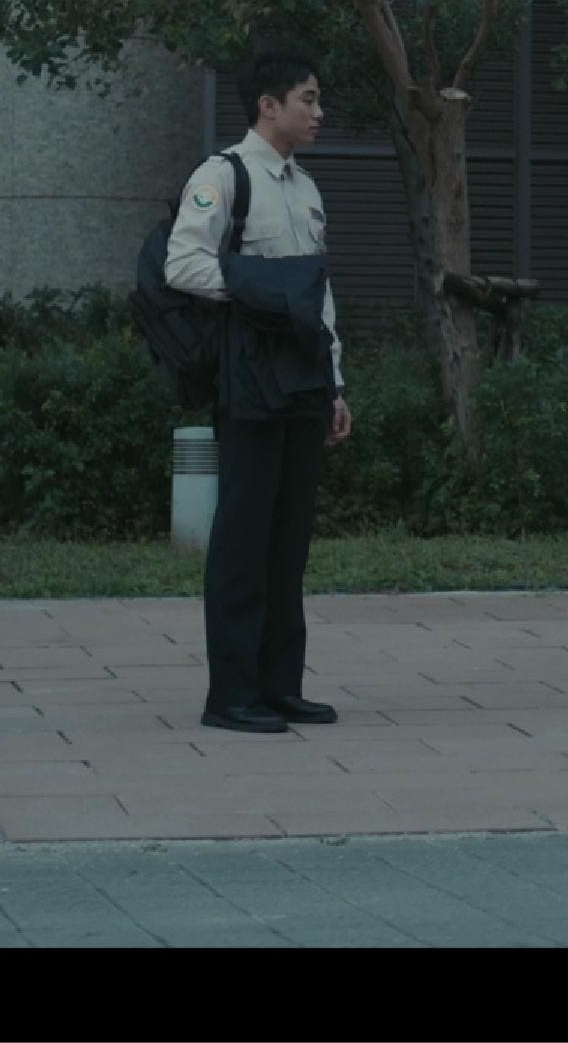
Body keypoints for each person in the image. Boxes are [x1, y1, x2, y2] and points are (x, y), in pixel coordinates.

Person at [164, 50, 352, 735]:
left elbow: (318, 296)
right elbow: (182, 264)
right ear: (269, 106)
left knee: (289, 536)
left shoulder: (306, 188)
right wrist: (260, 290)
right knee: (243, 536)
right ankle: (231, 696)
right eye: (308, 98)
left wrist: (335, 384)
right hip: (248, 376)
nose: (319, 112)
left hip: (304, 376)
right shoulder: (224, 176)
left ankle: (279, 687)